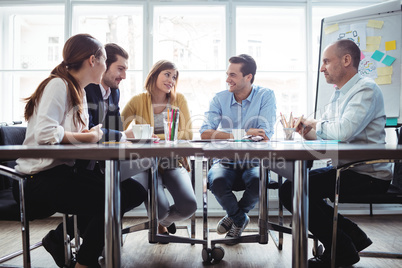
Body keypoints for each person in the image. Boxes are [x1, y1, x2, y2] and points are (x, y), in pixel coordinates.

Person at [14, 34, 147, 268]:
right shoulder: (58, 85)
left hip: (64, 172)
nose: (106, 67)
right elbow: (46, 134)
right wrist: (89, 135)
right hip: (36, 180)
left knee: (127, 191)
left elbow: (79, 133)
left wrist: (90, 133)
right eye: (105, 61)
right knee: (110, 199)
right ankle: (84, 261)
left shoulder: (79, 91)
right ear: (92, 60)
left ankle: (75, 245)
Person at [279, 39, 392, 268]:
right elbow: (327, 135)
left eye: (326, 62)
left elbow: (342, 131)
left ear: (347, 60)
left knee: (293, 190)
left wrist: (314, 124)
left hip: (367, 175)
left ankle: (342, 249)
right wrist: (305, 131)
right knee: (293, 189)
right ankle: (350, 238)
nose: (322, 68)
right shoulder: (338, 94)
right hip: (347, 169)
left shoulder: (366, 89)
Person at [199, 54, 276, 241]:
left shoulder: (266, 96)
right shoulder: (219, 99)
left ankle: (233, 217)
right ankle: (240, 219)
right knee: (216, 181)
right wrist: (244, 133)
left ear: (248, 77)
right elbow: (205, 133)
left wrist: (228, 134)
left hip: (255, 161)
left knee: (259, 181)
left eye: (232, 75)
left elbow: (264, 134)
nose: (227, 80)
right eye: (227, 74)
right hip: (225, 161)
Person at [121, 60, 197, 236]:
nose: (171, 80)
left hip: (172, 162)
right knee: (160, 211)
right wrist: (134, 134)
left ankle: (163, 223)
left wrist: (153, 137)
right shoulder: (137, 101)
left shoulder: (179, 100)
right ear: (154, 74)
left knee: (189, 207)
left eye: (174, 76)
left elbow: (187, 134)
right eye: (167, 74)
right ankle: (160, 220)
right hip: (145, 165)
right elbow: (117, 130)